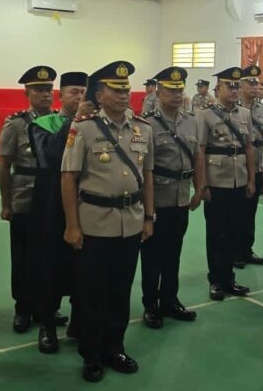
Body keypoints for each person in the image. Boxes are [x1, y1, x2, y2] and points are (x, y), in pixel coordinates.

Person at [61, 60, 155, 382]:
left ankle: (115, 347)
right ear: (99, 95)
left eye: (126, 89)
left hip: (131, 222)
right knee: (92, 294)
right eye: (116, 90)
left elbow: (148, 175)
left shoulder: (143, 128)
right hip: (95, 224)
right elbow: (68, 178)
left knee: (120, 291)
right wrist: (72, 225)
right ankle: (91, 354)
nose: (123, 95)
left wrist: (149, 216)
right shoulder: (83, 128)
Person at [28, 71, 90, 354]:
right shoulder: (43, 124)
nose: (79, 97)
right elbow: (50, 157)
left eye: (83, 92)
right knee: (50, 267)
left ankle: (79, 322)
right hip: (51, 206)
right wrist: (75, 121)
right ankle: (47, 325)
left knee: (83, 266)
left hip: (84, 204)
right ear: (61, 95)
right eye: (74, 92)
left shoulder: (93, 125)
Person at [140, 67, 201, 329]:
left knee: (174, 252)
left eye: (179, 90)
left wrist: (199, 188)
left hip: (181, 198)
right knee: (152, 256)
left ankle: (169, 299)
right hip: (157, 199)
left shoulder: (191, 121)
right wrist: (147, 209)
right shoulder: (147, 124)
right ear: (158, 93)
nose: (177, 95)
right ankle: (150, 304)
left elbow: (197, 156)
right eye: (170, 90)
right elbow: (145, 169)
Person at [0, 65, 57, 334]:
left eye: (48, 89)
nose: (45, 94)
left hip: (52, 196)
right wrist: (6, 204)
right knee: (22, 255)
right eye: (39, 90)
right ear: (27, 93)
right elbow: (4, 165)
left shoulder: (59, 121)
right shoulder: (16, 124)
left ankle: (46, 306)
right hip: (24, 195)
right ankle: (23, 307)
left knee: (49, 255)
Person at [195, 66, 255, 301]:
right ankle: (216, 280)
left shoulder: (245, 114)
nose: (234, 90)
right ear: (218, 88)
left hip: (239, 180)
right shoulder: (205, 114)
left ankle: (229, 278)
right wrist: (202, 184)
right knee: (216, 233)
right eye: (229, 86)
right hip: (216, 181)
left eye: (236, 86)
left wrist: (251, 179)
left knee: (234, 231)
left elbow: (249, 148)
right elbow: (200, 151)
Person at [237, 65, 263, 268]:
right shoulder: (234, 107)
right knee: (237, 212)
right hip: (239, 165)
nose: (256, 87)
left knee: (250, 211)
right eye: (251, 83)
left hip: (257, 164)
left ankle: (247, 249)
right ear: (241, 85)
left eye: (257, 83)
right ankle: (234, 252)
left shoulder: (261, 108)